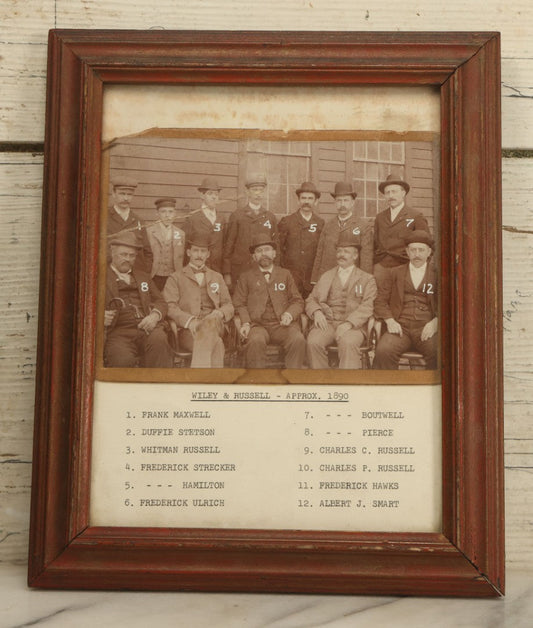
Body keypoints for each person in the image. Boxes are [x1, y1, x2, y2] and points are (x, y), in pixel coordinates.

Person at [232, 235, 306, 369]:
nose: (263, 254)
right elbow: (239, 303)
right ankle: (257, 381)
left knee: (298, 339)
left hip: (282, 325)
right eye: (259, 251)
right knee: (255, 341)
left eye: (267, 250)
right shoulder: (246, 277)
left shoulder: (285, 274)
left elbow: (297, 301)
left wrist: (289, 314)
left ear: (274, 253)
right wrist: (246, 323)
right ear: (254, 256)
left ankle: (293, 379)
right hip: (258, 325)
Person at [306, 231, 377, 369]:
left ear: (355, 256)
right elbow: (311, 299)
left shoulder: (367, 279)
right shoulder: (326, 276)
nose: (341, 255)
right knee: (313, 342)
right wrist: (317, 312)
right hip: (328, 323)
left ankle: (347, 384)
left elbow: (368, 306)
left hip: (353, 326)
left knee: (348, 343)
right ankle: (321, 382)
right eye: (339, 251)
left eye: (346, 252)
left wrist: (348, 324)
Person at [104, 231, 173, 368]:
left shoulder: (143, 276)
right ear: (113, 253)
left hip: (146, 328)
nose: (127, 259)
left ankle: (160, 387)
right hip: (118, 332)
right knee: (122, 359)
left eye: (132, 256)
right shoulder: (100, 276)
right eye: (123, 254)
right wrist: (98, 316)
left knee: (159, 341)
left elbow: (161, 302)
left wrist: (154, 315)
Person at [163, 236, 234, 368]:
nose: (199, 255)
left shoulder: (217, 276)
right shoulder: (175, 277)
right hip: (189, 331)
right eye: (196, 251)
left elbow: (228, 305)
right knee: (216, 344)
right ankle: (213, 383)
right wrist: (190, 321)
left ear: (208, 254)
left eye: (203, 251)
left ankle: (197, 382)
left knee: (209, 329)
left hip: (215, 324)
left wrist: (219, 313)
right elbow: (170, 307)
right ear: (189, 253)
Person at [373, 230, 438, 370]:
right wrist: (389, 320)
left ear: (429, 252)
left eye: (421, 250)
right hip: (400, 328)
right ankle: (388, 390)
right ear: (407, 252)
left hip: (426, 327)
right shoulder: (394, 273)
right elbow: (380, 300)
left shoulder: (438, 274)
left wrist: (436, 322)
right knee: (383, 351)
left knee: (439, 352)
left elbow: (449, 303)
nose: (417, 254)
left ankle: (429, 390)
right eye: (413, 250)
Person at [373, 173, 430, 287]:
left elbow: (427, 244)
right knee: (379, 300)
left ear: (403, 193)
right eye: (387, 193)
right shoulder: (380, 217)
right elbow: (375, 244)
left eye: (394, 192)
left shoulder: (415, 216)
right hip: (382, 267)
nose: (391, 196)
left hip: (404, 266)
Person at [223, 173, 278, 289]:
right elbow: (228, 247)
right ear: (247, 192)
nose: (258, 193)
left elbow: (275, 247)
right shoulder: (237, 216)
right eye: (254, 190)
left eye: (261, 190)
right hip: (241, 269)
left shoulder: (270, 217)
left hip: (263, 268)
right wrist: (227, 273)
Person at [310, 181, 373, 283]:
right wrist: (315, 280)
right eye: (339, 201)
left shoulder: (363, 226)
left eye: (346, 200)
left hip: (352, 280)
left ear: (352, 203)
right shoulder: (328, 226)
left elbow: (366, 259)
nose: (342, 204)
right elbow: (319, 254)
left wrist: (363, 283)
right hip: (329, 279)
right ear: (335, 203)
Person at [278, 181, 324, 299]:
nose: (306, 202)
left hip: (311, 278)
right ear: (298, 200)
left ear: (316, 201)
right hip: (291, 277)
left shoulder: (320, 224)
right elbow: (278, 250)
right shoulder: (287, 221)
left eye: (310, 198)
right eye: (303, 198)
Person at [107, 175, 152, 272]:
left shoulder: (138, 221)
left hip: (135, 275)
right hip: (110, 275)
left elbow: (147, 252)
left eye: (129, 194)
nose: (126, 198)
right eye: (122, 194)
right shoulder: (104, 218)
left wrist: (144, 275)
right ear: (113, 194)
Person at [183, 177, 226, 274]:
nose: (214, 197)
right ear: (202, 196)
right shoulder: (193, 218)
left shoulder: (221, 218)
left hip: (216, 269)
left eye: (216, 194)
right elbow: (186, 246)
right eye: (210, 193)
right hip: (197, 269)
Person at [146, 197, 185, 291]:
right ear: (157, 213)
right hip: (154, 276)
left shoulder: (180, 233)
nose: (167, 215)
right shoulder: (149, 232)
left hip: (173, 276)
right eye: (163, 212)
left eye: (171, 212)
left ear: (175, 213)